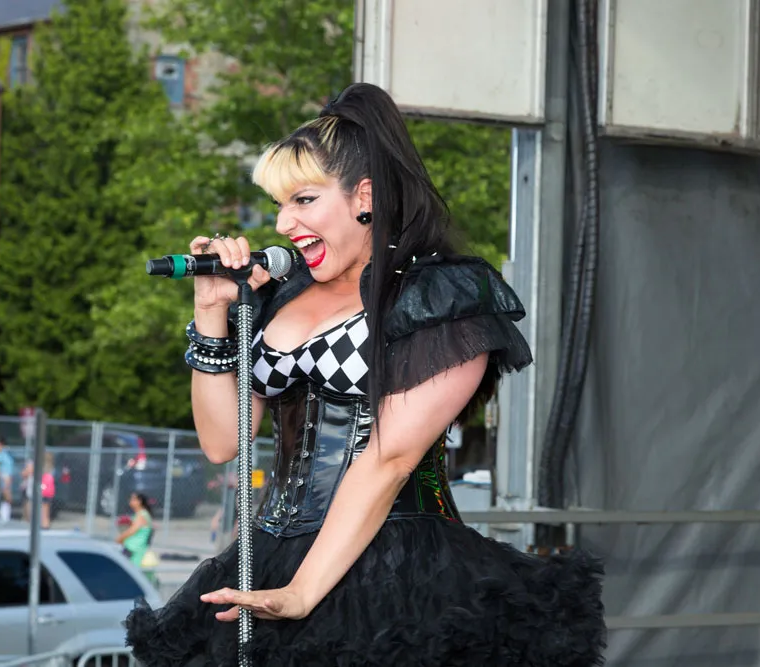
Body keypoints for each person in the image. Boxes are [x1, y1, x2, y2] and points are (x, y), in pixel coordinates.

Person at [125, 83, 605, 666]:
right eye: (279, 205)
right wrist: (210, 312)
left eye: (303, 200)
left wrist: (303, 591)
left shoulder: (440, 298)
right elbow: (225, 441)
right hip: (270, 553)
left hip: (400, 571)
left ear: (365, 196)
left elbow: (389, 458)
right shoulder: (280, 296)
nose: (284, 223)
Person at [117, 492, 159, 584]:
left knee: (131, 576)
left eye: (133, 499)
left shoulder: (142, 514)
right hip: (133, 549)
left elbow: (131, 531)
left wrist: (119, 539)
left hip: (135, 550)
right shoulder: (141, 514)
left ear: (139, 501)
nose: (130, 501)